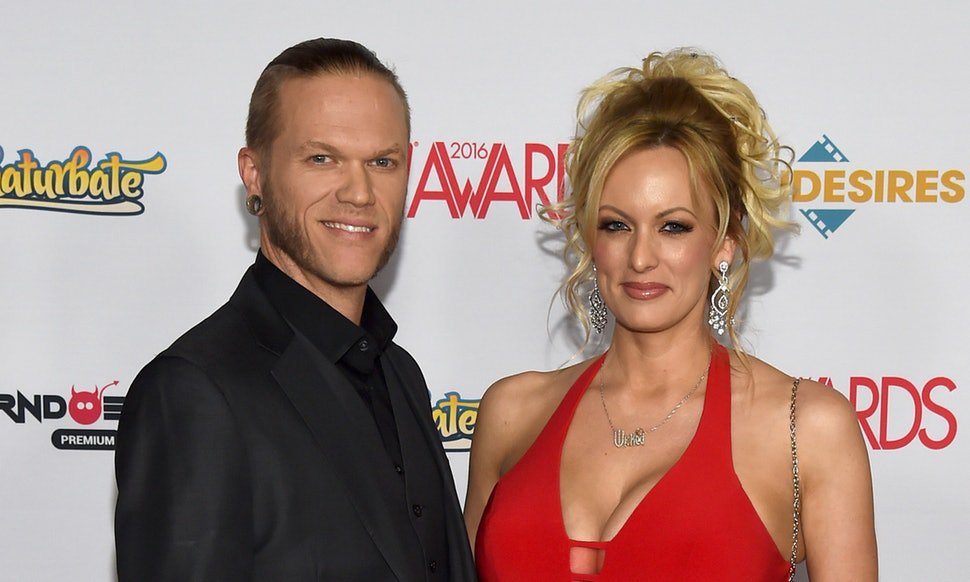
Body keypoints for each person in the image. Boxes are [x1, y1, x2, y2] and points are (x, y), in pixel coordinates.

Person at [464, 49, 877, 581]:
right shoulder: (512, 414)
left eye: (673, 227)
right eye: (616, 225)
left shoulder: (806, 430)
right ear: (590, 237)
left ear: (724, 241)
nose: (640, 257)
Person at [115, 38, 476, 581]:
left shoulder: (401, 374)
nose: (359, 193)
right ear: (255, 173)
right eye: (321, 159)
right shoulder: (193, 392)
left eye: (382, 161)